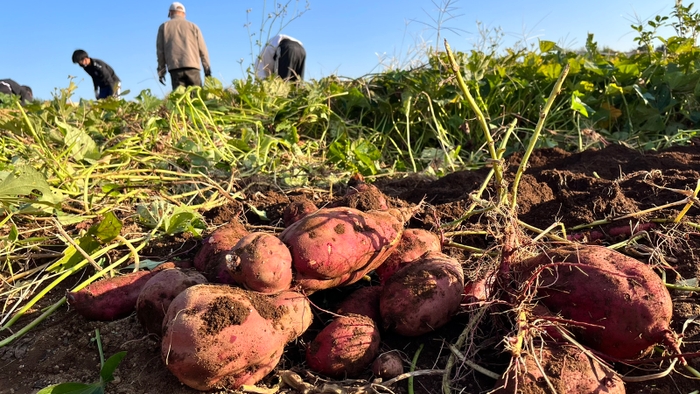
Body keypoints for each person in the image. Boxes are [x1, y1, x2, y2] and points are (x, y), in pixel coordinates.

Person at [156, 2, 211, 90]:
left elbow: (160, 51)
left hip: (175, 68)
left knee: (180, 100)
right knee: (197, 98)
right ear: (184, 14)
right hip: (193, 68)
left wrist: (161, 71)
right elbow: (203, 49)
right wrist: (207, 69)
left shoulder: (163, 27)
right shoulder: (193, 26)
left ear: (170, 13)